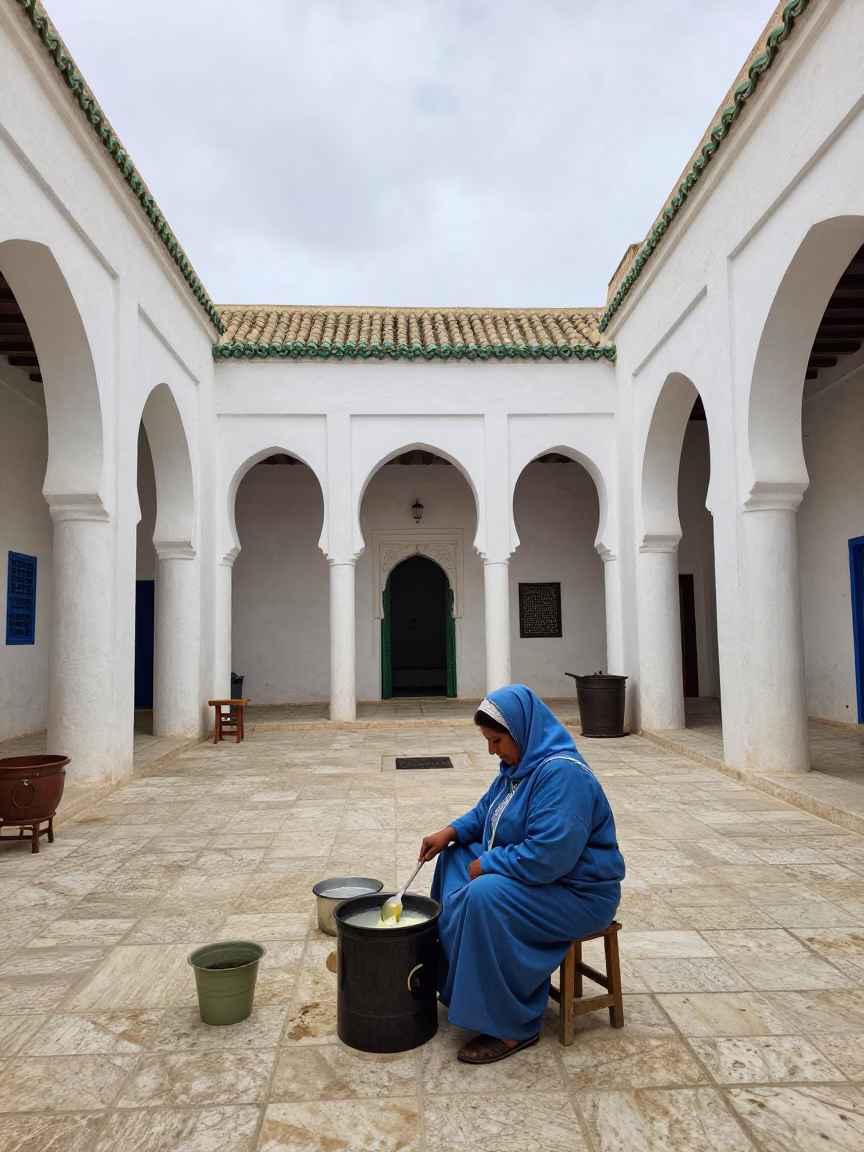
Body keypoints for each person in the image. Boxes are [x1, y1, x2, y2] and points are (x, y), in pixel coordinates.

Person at [419, 683, 625, 1064]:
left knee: (486, 893)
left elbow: (549, 857)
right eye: (488, 740)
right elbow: (486, 813)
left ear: (521, 731)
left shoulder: (563, 776)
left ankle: (512, 1025)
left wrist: (490, 865)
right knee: (451, 858)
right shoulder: (519, 766)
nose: (492, 750)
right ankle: (457, 982)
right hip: (545, 883)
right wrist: (449, 832)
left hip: (578, 894)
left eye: (496, 740)